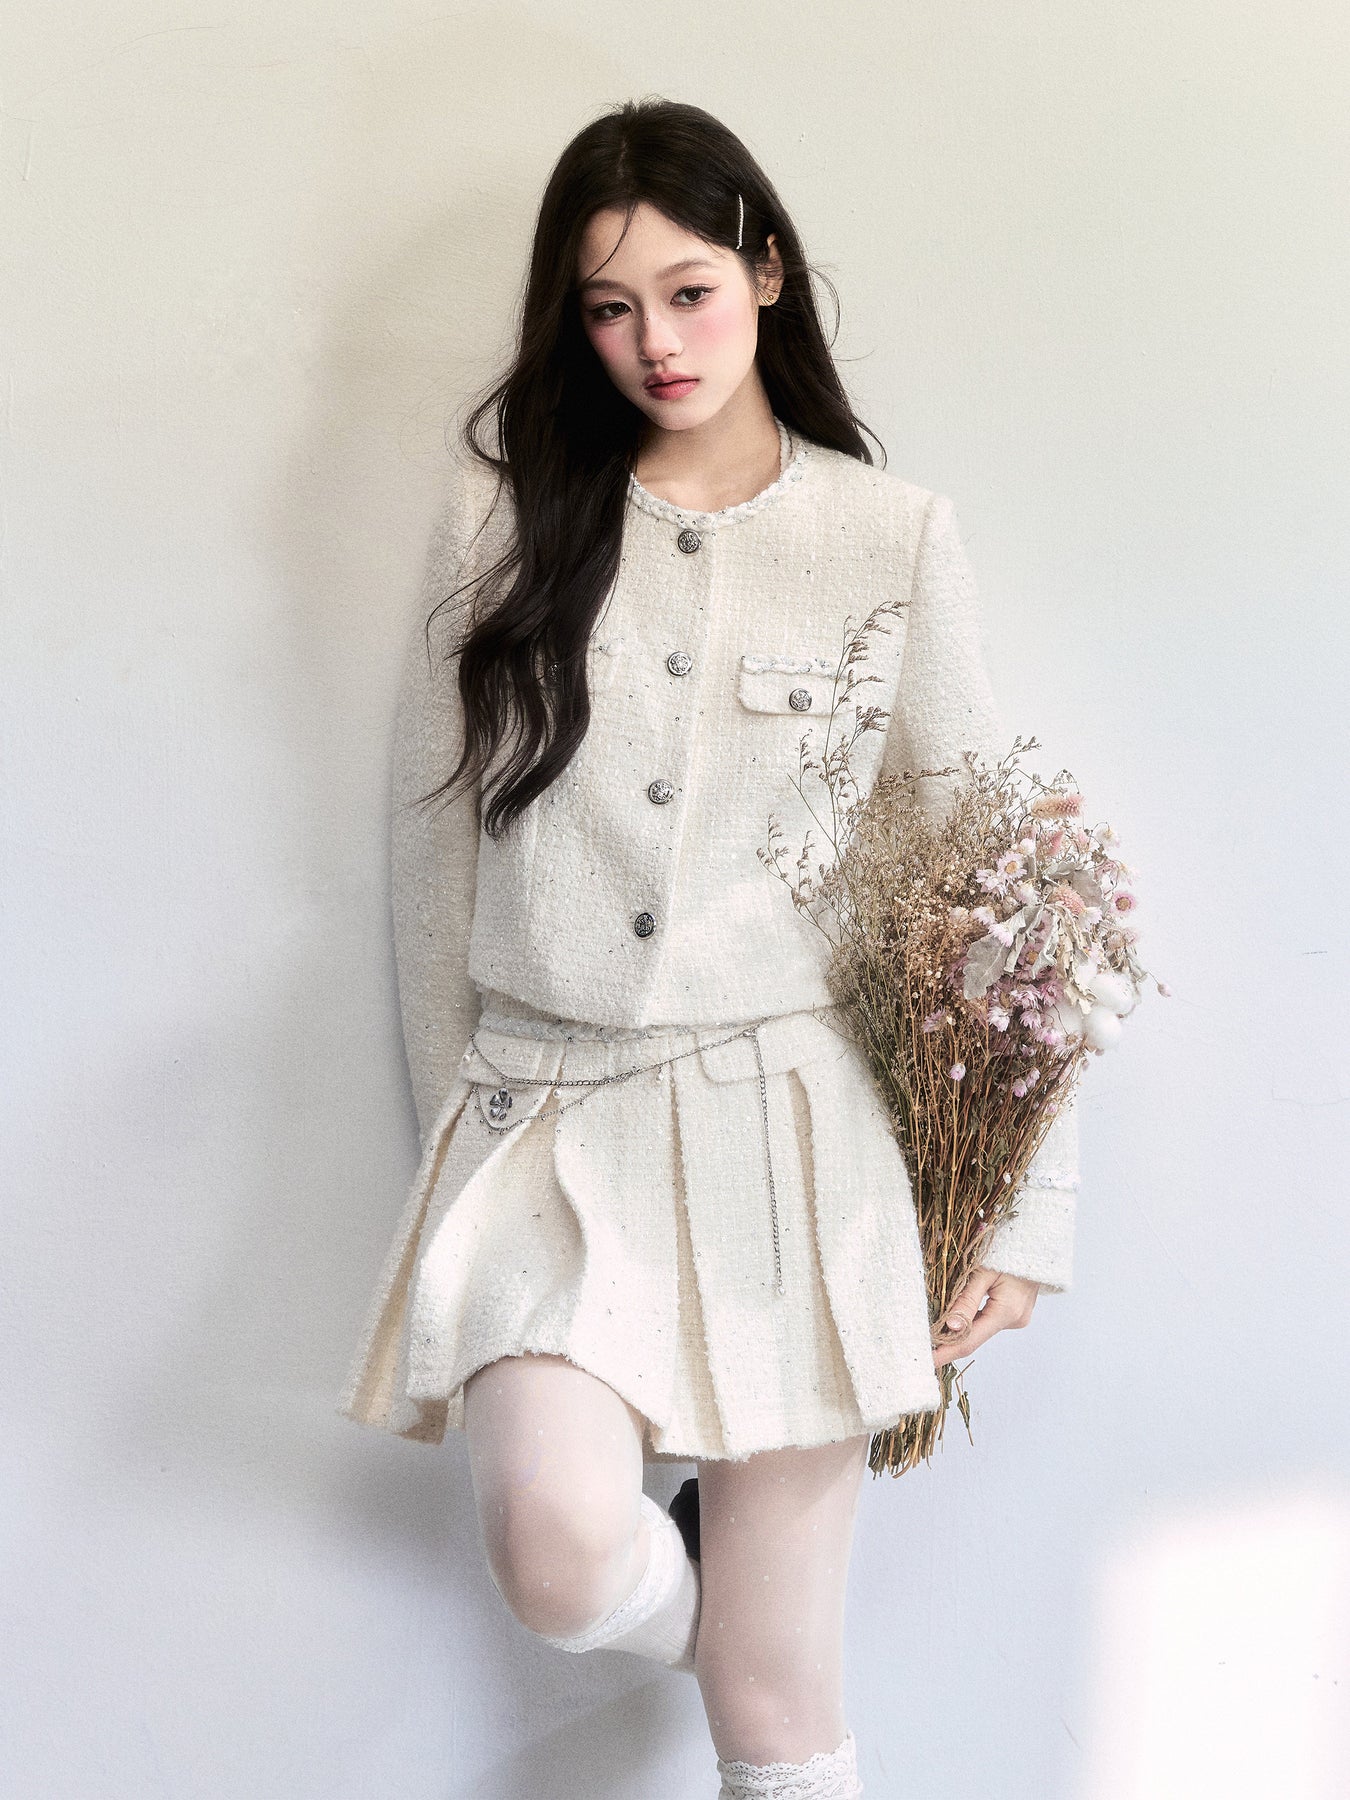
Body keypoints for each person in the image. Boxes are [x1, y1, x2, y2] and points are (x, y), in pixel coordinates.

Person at [338, 97, 1080, 1800]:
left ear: (764, 272)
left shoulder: (887, 537)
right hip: (546, 1116)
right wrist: (454, 1146)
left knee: (774, 1718)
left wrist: (1023, 1207)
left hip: (795, 1136)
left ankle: (753, 1663)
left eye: (685, 292)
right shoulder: (501, 522)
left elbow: (986, 872)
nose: (653, 343)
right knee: (554, 1552)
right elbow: (432, 858)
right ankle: (709, 1609)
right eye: (608, 309)